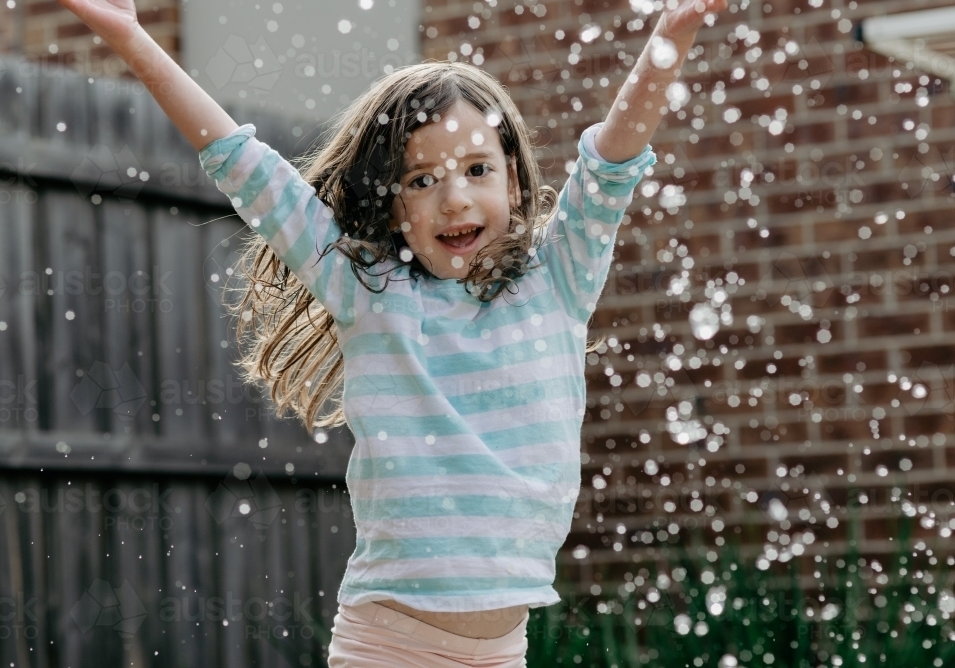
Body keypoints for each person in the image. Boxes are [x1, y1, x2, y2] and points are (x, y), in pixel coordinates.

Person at [57, 0, 728, 665]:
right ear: (393, 205)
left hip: (501, 653)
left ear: (516, 183)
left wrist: (673, 32)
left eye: (476, 170)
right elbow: (246, 167)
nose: (455, 197)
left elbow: (612, 161)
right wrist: (132, 37)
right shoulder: (371, 293)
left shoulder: (558, 280)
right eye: (422, 179)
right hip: (388, 648)